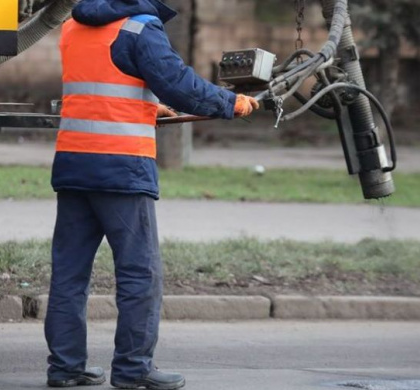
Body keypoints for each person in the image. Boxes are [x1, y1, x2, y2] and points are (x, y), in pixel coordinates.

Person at [44, 0, 259, 388]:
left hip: (74, 164)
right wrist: (232, 103)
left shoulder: (73, 27)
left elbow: (104, 85)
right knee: (140, 274)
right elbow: (180, 85)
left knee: (69, 275)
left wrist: (145, 107)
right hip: (122, 171)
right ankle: (132, 370)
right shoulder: (140, 28)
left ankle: (65, 368)